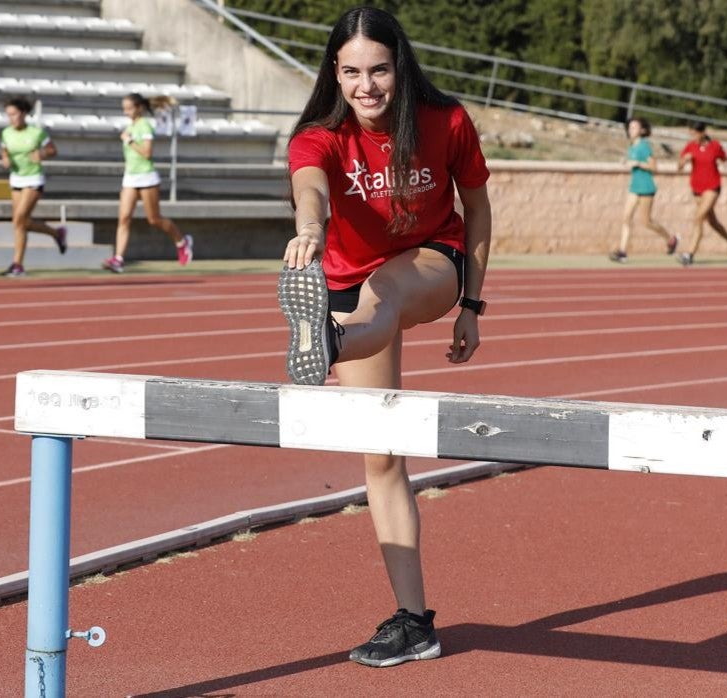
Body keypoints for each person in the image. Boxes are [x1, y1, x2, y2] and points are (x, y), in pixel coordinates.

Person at [276, 6, 491, 668]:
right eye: (351, 73)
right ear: (333, 73)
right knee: (382, 457)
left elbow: (478, 206)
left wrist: (473, 305)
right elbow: (309, 187)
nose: (366, 87)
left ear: (400, 66)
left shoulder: (445, 122)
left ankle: (336, 339)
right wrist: (309, 227)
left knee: (388, 296)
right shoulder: (319, 136)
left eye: (378, 71)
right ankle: (414, 621)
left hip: (431, 260)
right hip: (345, 280)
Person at [102, 93, 194, 274]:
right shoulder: (130, 126)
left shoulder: (145, 126)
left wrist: (129, 141)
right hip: (130, 177)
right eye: (124, 108)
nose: (125, 112)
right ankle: (118, 259)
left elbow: (146, 153)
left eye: (128, 108)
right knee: (124, 218)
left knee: (154, 219)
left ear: (139, 108)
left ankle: (182, 242)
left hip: (146, 177)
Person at [0, 96, 66, 277]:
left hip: (33, 178)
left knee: (19, 220)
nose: (11, 118)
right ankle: (55, 233)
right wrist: (5, 157)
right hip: (16, 178)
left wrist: (42, 153)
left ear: (22, 114)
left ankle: (17, 264)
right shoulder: (6, 132)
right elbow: (4, 148)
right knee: (21, 223)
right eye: (8, 115)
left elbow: (53, 150)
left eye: (13, 114)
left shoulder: (37, 133)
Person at [609, 118, 677, 263]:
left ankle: (670, 239)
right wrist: (626, 162)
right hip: (634, 187)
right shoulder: (632, 147)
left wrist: (638, 163)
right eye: (630, 127)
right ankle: (622, 251)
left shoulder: (644, 146)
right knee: (626, 218)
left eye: (634, 128)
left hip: (646, 188)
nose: (631, 130)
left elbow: (654, 167)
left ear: (642, 130)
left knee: (646, 222)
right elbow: (633, 163)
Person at [677, 122, 727, 266]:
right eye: (691, 134)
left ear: (703, 132)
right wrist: (684, 161)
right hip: (697, 188)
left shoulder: (715, 146)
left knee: (698, 218)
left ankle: (690, 254)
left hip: (712, 186)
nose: (694, 137)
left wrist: (725, 163)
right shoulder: (690, 146)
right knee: (712, 221)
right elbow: (679, 167)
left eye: (696, 134)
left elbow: (725, 159)